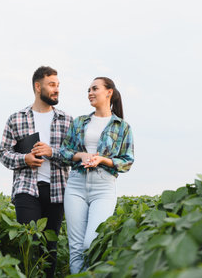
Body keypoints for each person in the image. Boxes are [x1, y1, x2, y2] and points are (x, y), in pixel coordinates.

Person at [0, 66, 73, 278]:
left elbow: (75, 155)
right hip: (26, 189)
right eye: (52, 85)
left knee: (50, 249)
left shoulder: (67, 121)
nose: (56, 89)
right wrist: (25, 159)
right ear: (37, 86)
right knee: (29, 246)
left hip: (57, 190)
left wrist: (52, 152)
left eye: (58, 85)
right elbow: (3, 153)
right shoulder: (16, 118)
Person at [59, 77, 135, 274]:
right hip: (76, 184)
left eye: (95, 89)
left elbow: (127, 161)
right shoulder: (79, 122)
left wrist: (102, 160)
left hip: (103, 187)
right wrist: (81, 155)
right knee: (75, 247)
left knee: (91, 243)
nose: (90, 93)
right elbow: (64, 152)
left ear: (109, 92)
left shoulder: (122, 127)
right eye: (88, 90)